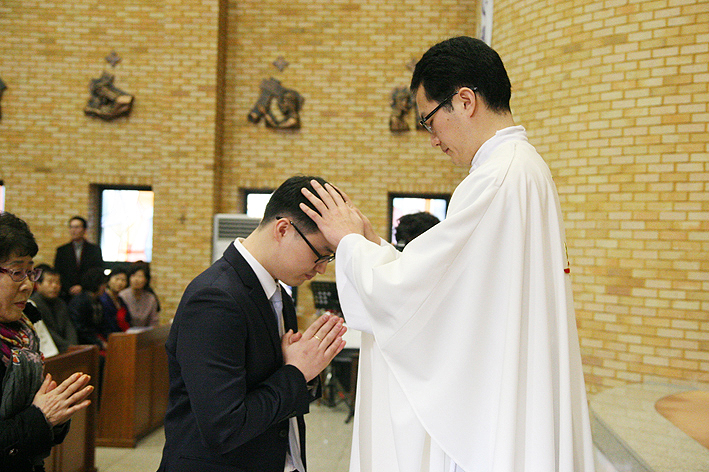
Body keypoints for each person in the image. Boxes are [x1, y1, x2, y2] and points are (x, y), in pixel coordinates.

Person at [301, 37, 594, 472]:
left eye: (429, 121)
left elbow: (414, 296)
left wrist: (349, 244)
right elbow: (453, 284)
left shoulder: (496, 179)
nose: (433, 140)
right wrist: (373, 246)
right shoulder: (525, 168)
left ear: (465, 101)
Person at [157, 176, 348, 472]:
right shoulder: (215, 298)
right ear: (283, 229)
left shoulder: (278, 294)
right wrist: (296, 372)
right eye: (320, 253)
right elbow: (224, 427)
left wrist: (305, 370)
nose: (322, 268)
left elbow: (273, 393)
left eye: (330, 257)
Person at [0, 212, 93, 472]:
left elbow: (37, 422)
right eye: (17, 272)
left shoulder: (23, 332)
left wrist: (54, 415)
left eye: (31, 272)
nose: (28, 285)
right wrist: (40, 417)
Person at [29, 265, 78, 353]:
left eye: (57, 282)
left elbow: (69, 327)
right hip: (47, 351)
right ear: (38, 284)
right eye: (50, 282)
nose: (55, 286)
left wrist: (73, 346)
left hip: (67, 349)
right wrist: (67, 347)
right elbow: (46, 332)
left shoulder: (61, 303)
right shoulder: (32, 304)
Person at [53, 216, 104, 302]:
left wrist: (82, 286)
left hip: (88, 293)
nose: (73, 230)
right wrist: (69, 288)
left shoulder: (94, 250)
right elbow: (58, 271)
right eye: (71, 227)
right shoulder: (62, 250)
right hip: (66, 294)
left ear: (84, 230)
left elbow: (97, 270)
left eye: (77, 227)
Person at [68, 267, 109, 351]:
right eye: (103, 284)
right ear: (96, 284)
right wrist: (100, 343)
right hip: (84, 344)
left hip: (96, 340)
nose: (105, 288)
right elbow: (81, 329)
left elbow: (103, 325)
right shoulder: (79, 302)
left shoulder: (98, 301)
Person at [118, 261, 159, 328]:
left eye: (140, 276)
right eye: (133, 276)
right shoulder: (122, 296)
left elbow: (154, 322)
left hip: (145, 333)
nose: (136, 279)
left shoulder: (150, 298)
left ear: (146, 280)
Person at [98, 267, 131, 333]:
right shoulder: (103, 299)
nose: (120, 283)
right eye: (117, 279)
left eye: (123, 280)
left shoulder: (120, 300)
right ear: (109, 280)